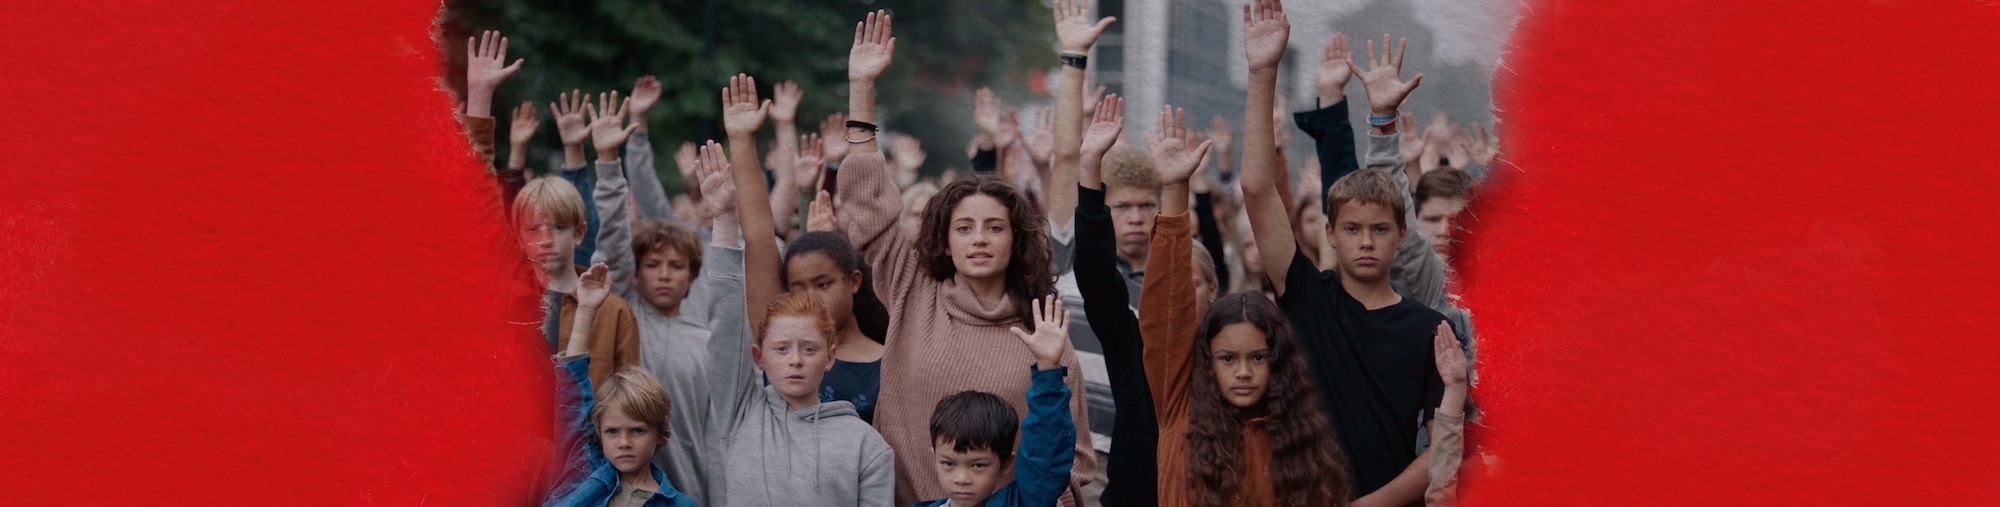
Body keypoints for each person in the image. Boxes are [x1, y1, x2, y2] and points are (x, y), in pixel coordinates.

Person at [833, 10, 1098, 505]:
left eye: (994, 227)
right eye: (964, 227)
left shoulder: (1044, 329)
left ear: (1015, 240)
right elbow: (867, 204)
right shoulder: (913, 287)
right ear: (944, 239)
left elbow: (1075, 462)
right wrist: (861, 90)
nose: (979, 239)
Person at [1238, 1, 1453, 501]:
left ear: (1402, 235)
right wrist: (1262, 71)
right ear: (1330, 233)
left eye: (1380, 229)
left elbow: (1442, 443)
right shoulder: (1309, 296)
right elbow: (1256, 190)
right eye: (1352, 228)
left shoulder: (1428, 328)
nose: (1365, 241)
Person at [1138, 102, 1350, 506]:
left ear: (1278, 362)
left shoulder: (1298, 445)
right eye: (1227, 359)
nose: (1243, 373)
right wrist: (1174, 191)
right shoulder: (1180, 406)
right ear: (1207, 361)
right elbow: (1167, 311)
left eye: (1258, 358)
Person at [700, 83, 899, 503]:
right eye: (797, 287)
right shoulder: (751, 409)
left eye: (824, 284)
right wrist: (741, 142)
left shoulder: (890, 363)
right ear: (763, 354)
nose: (794, 359)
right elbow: (758, 235)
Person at [584, 84, 727, 504]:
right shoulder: (626, 318)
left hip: (691, 491)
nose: (664, 275)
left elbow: (717, 437)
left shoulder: (707, 342)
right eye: (653, 265)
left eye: (677, 266)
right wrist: (608, 163)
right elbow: (612, 238)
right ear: (636, 274)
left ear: (692, 276)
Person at [543, 264, 700, 507]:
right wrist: (585, 309)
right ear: (599, 433)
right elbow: (572, 388)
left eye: (637, 431)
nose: (624, 442)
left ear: (659, 433)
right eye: (612, 432)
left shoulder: (679, 505)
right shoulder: (583, 468)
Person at [914, 296, 1079, 507]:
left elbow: (1045, 457)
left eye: (978, 466)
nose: (961, 479)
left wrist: (1048, 368)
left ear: (1005, 464)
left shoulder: (1017, 503)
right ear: (934, 457)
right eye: (948, 463)